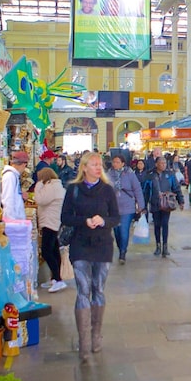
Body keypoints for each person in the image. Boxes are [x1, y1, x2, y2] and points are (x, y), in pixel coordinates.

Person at [60, 151, 120, 362]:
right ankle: (84, 340)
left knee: (98, 288)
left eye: (99, 165)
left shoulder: (107, 191)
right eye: (93, 165)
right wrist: (84, 220)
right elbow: (65, 217)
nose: (98, 168)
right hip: (81, 246)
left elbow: (116, 217)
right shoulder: (74, 190)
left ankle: (96, 334)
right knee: (83, 290)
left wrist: (103, 221)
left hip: (102, 246)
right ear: (84, 167)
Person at [34, 167, 68, 293]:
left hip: (50, 221)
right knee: (54, 250)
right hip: (54, 221)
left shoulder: (51, 186)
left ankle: (58, 279)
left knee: (46, 251)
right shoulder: (57, 186)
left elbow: (40, 200)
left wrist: (38, 186)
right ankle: (55, 278)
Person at [144, 156, 185, 257]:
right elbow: (145, 191)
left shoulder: (170, 175)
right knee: (157, 225)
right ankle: (158, 246)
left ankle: (165, 246)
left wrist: (181, 201)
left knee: (165, 224)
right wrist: (143, 205)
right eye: (161, 163)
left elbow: (176, 188)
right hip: (155, 203)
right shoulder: (150, 175)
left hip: (167, 203)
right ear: (156, 164)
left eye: (164, 163)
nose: (163, 165)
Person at [108, 155, 144, 264]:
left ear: (123, 163)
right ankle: (120, 247)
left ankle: (123, 252)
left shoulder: (130, 175)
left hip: (128, 207)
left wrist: (141, 205)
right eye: (114, 162)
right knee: (117, 231)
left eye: (118, 162)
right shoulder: (109, 175)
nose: (115, 164)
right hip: (113, 208)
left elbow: (137, 189)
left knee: (124, 230)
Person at [0, 151, 29, 220]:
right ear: (24, 164)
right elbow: (8, 200)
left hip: (16, 222)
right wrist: (11, 222)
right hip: (13, 223)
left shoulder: (14, 176)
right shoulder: (10, 176)